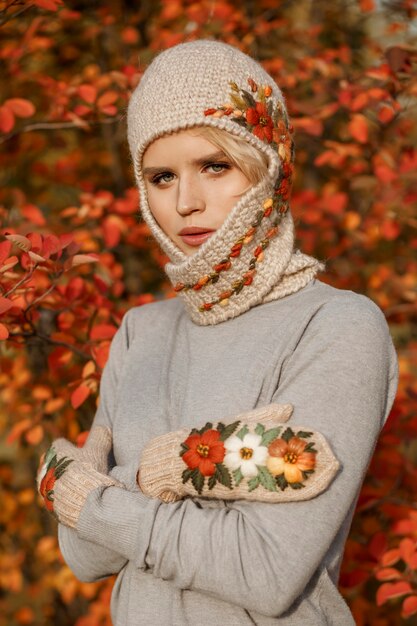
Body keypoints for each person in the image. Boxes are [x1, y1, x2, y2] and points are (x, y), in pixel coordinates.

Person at [37, 40, 398, 625]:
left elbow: (265, 570)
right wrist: (197, 468)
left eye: (215, 165)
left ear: (270, 164)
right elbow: (82, 553)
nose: (185, 201)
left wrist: (115, 485)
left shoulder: (337, 325)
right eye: (160, 176)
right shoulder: (139, 331)